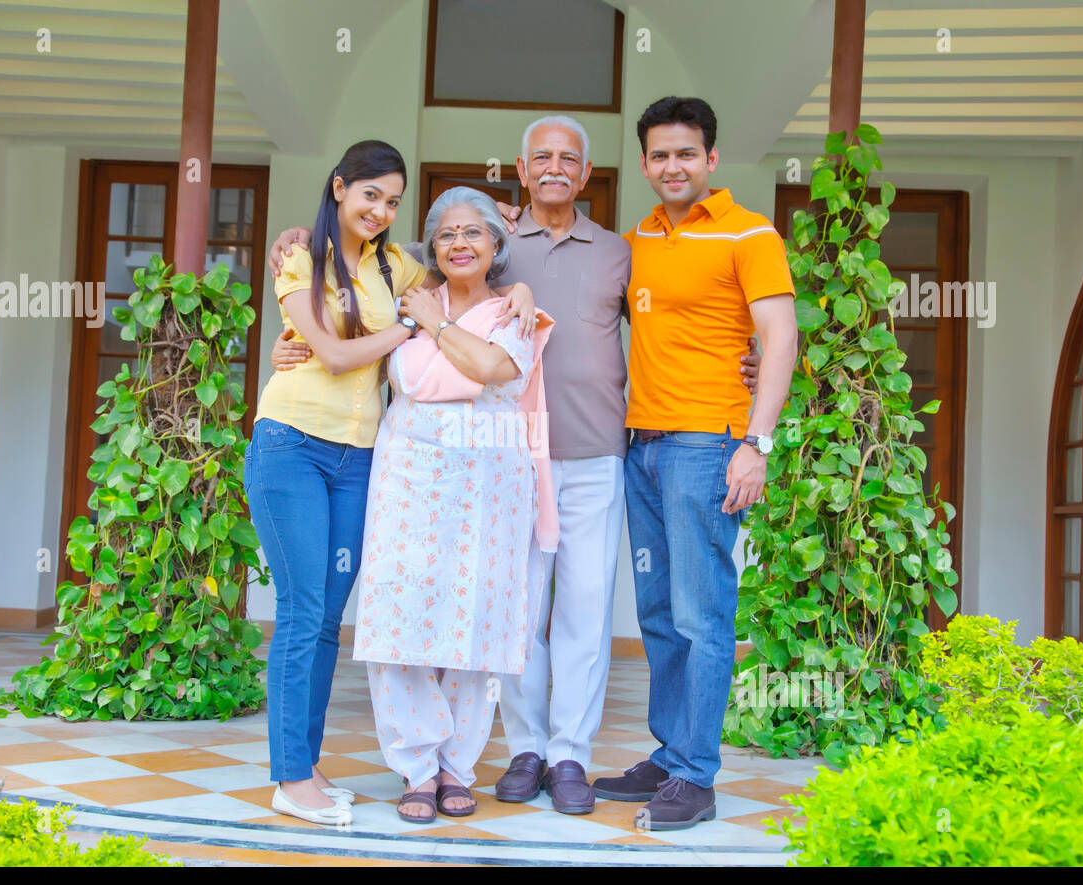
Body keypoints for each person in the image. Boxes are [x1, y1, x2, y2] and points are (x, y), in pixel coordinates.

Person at [269, 116, 762, 817]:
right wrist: (298, 240)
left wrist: (754, 360)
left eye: (569, 159)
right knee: (506, 614)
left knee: (580, 612)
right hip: (472, 467)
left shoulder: (621, 252)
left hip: (588, 449)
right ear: (522, 174)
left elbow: (684, 319)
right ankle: (520, 748)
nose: (555, 168)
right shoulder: (455, 253)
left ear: (586, 175)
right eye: (541, 159)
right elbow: (372, 248)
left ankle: (569, 755)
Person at [245, 141, 536, 827]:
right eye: (369, 194)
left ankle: (307, 767)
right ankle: (291, 776)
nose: (380, 210)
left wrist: (517, 283)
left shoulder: (395, 263)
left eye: (393, 201)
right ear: (339, 187)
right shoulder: (301, 259)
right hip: (292, 444)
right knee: (300, 611)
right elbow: (341, 355)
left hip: (360, 458)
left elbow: (458, 249)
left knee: (324, 622)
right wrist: (409, 326)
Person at [590, 96, 798, 830]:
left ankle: (697, 778)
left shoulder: (750, 233)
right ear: (644, 163)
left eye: (686, 153)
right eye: (658, 155)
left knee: (701, 613)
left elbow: (780, 340)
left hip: (707, 447)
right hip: (640, 447)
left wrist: (757, 443)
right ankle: (670, 752)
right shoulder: (636, 239)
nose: (671, 166)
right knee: (656, 613)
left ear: (711, 159)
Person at [352, 186, 555, 822]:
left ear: (497, 244)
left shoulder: (513, 311)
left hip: (489, 481)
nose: (460, 243)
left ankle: (453, 768)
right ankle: (415, 764)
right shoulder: (403, 301)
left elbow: (497, 370)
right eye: (446, 234)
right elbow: (412, 379)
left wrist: (436, 332)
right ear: (432, 247)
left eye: (474, 232)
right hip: (409, 477)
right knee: (399, 617)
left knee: (476, 621)